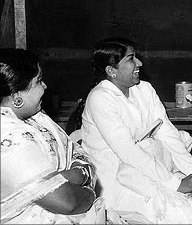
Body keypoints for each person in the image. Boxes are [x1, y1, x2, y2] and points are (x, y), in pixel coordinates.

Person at [71, 37, 192, 224]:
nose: (139, 63)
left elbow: (168, 135)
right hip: (117, 182)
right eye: (131, 59)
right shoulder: (100, 99)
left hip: (152, 170)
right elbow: (128, 153)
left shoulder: (144, 90)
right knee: (180, 214)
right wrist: (176, 184)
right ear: (111, 71)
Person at [0, 48, 137, 224]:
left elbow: (78, 153)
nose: (45, 86)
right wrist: (89, 191)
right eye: (39, 81)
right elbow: (68, 203)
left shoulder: (37, 117)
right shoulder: (7, 137)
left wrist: (73, 176)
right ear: (16, 97)